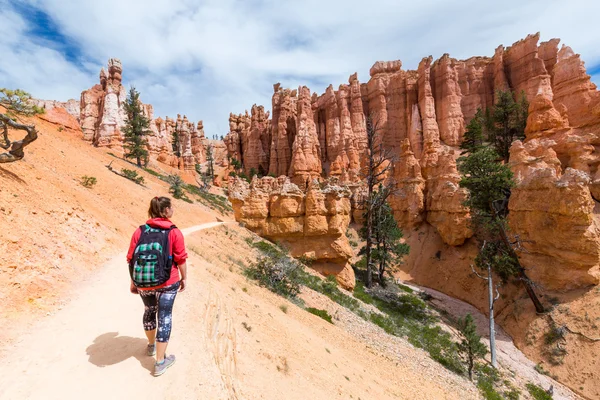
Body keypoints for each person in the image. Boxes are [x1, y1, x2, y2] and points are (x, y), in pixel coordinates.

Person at [126, 196, 188, 376]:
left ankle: (151, 346)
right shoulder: (174, 232)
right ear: (166, 210)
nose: (173, 210)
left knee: (149, 310)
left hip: (144, 283)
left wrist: (133, 281)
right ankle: (160, 362)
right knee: (165, 316)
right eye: (171, 207)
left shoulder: (140, 231)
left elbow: (130, 258)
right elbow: (181, 258)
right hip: (168, 281)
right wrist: (184, 278)